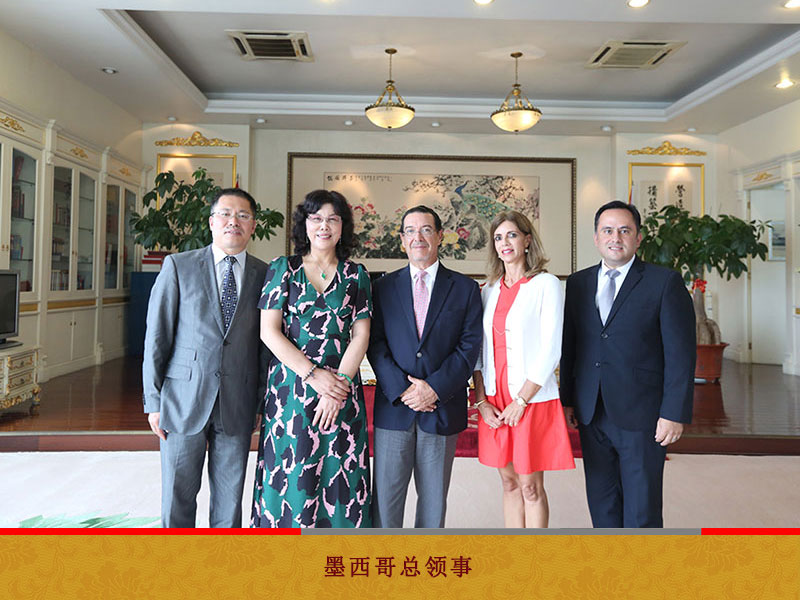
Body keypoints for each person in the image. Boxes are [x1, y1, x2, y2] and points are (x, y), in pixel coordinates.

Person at [560, 200, 695, 528]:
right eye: (607, 230)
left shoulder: (664, 282)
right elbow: (570, 346)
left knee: (641, 506)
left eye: (624, 230)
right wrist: (568, 400)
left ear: (638, 237)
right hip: (592, 410)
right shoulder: (578, 283)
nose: (615, 238)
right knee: (602, 500)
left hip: (642, 413)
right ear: (596, 237)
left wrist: (674, 412)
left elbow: (681, 353)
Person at [143, 188, 268, 528]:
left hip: (238, 401)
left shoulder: (265, 274)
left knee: (229, 499)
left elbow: (265, 348)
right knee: (178, 494)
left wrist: (259, 401)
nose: (233, 221)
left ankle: (222, 558)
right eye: (225, 214)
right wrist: (154, 400)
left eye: (243, 215)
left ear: (253, 225)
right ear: (212, 222)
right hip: (182, 398)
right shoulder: (178, 266)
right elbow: (157, 336)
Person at [251, 189, 372, 528]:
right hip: (292, 387)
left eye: (333, 219)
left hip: (342, 388)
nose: (324, 226)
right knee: (291, 470)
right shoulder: (282, 269)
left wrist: (339, 386)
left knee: (341, 471)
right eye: (316, 218)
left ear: (343, 226)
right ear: (304, 224)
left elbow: (361, 335)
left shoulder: (356, 274)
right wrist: (313, 375)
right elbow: (269, 331)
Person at [368, 205, 482, 528]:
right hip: (395, 409)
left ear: (440, 236)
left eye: (426, 230)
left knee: (433, 507)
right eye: (410, 231)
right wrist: (405, 390)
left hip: (441, 409)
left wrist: (433, 389)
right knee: (385, 504)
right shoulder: (382, 288)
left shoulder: (465, 289)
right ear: (402, 239)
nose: (418, 237)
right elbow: (374, 343)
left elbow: (468, 347)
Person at [472, 211, 575, 528]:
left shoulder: (546, 285)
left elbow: (551, 348)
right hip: (495, 399)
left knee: (530, 486)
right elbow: (479, 352)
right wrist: (481, 402)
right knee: (508, 483)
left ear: (527, 240)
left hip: (530, 399)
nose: (505, 243)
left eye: (512, 235)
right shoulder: (487, 290)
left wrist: (521, 401)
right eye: (498, 237)